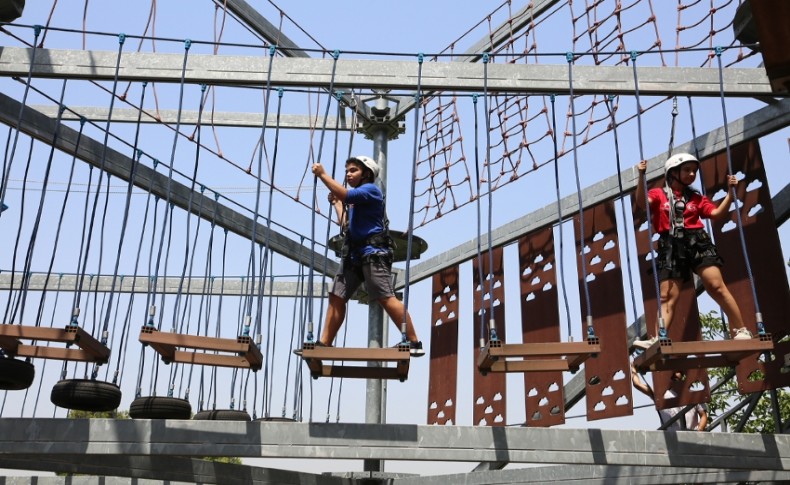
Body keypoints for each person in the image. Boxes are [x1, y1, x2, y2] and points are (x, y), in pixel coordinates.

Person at [633, 153, 752, 349]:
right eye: (687, 170)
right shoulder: (658, 194)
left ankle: (741, 330)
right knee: (666, 296)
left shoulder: (696, 197)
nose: (692, 174)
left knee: (716, 285)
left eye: (694, 171)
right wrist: (641, 177)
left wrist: (730, 194)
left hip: (697, 241)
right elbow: (641, 202)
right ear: (673, 173)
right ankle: (658, 338)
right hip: (671, 244)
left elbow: (715, 214)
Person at [310, 155, 425, 357]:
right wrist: (337, 203)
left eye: (353, 170)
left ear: (367, 174)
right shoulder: (355, 200)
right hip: (354, 254)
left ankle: (414, 341)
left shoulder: (371, 191)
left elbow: (346, 195)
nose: (348, 174)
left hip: (373, 253)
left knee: (384, 297)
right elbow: (346, 224)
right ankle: (324, 343)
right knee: (336, 296)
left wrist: (322, 175)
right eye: (347, 171)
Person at [631, 365, 708, 431]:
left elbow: (703, 415)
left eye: (678, 372)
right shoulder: (661, 395)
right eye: (672, 373)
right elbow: (638, 384)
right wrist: (633, 368)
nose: (675, 375)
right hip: (672, 439)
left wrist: (700, 430)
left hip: (691, 437)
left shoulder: (693, 395)